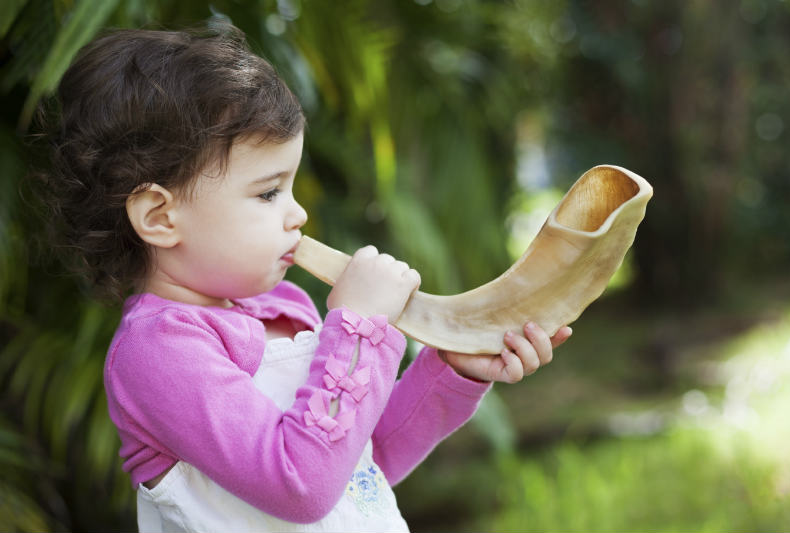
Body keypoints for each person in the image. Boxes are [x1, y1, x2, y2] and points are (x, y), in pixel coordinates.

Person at [34, 22, 572, 533]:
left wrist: (452, 369)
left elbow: (363, 460)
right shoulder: (158, 351)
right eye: (268, 193)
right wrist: (360, 328)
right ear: (159, 217)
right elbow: (302, 485)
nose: (297, 215)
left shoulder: (288, 310)